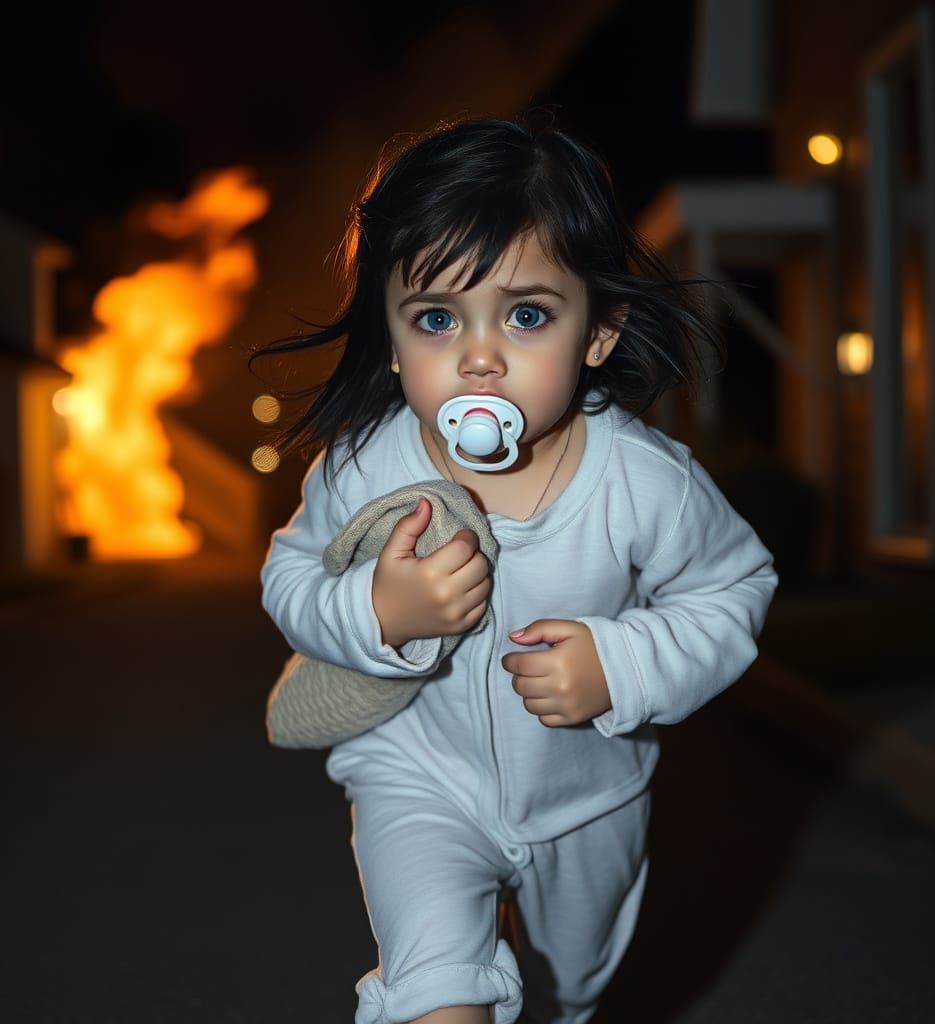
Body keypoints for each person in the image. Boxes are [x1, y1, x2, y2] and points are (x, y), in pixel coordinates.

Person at [252, 114, 779, 1024]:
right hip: (415, 773)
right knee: (435, 989)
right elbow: (290, 576)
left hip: (586, 801)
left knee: (569, 989)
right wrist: (379, 612)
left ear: (599, 334)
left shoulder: (641, 482)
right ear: (389, 332)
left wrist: (625, 662)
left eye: (527, 314)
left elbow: (735, 585)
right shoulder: (365, 466)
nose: (480, 355)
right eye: (436, 317)